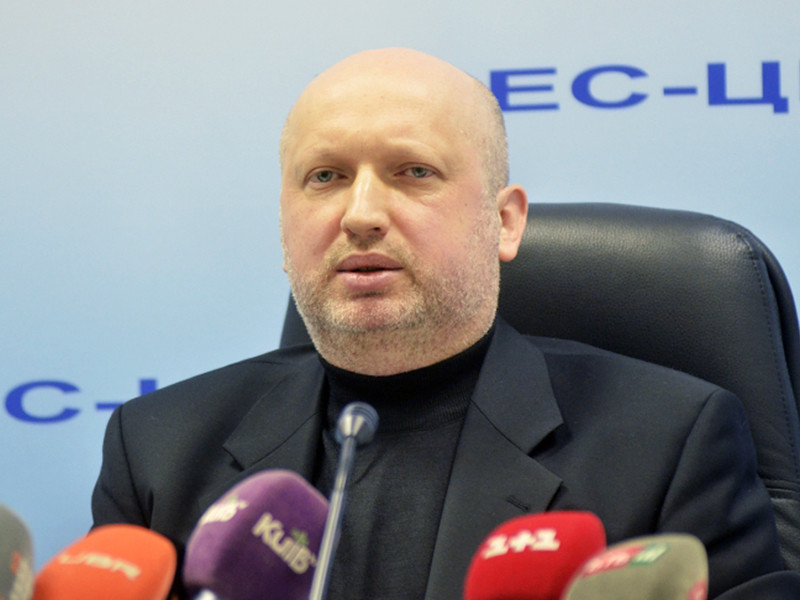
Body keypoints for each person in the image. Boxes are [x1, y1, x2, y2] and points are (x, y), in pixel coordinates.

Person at [92, 47, 800, 598]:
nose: (361, 214)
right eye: (326, 177)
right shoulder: (159, 448)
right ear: (284, 226)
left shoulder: (671, 442)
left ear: (505, 221)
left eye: (413, 172)